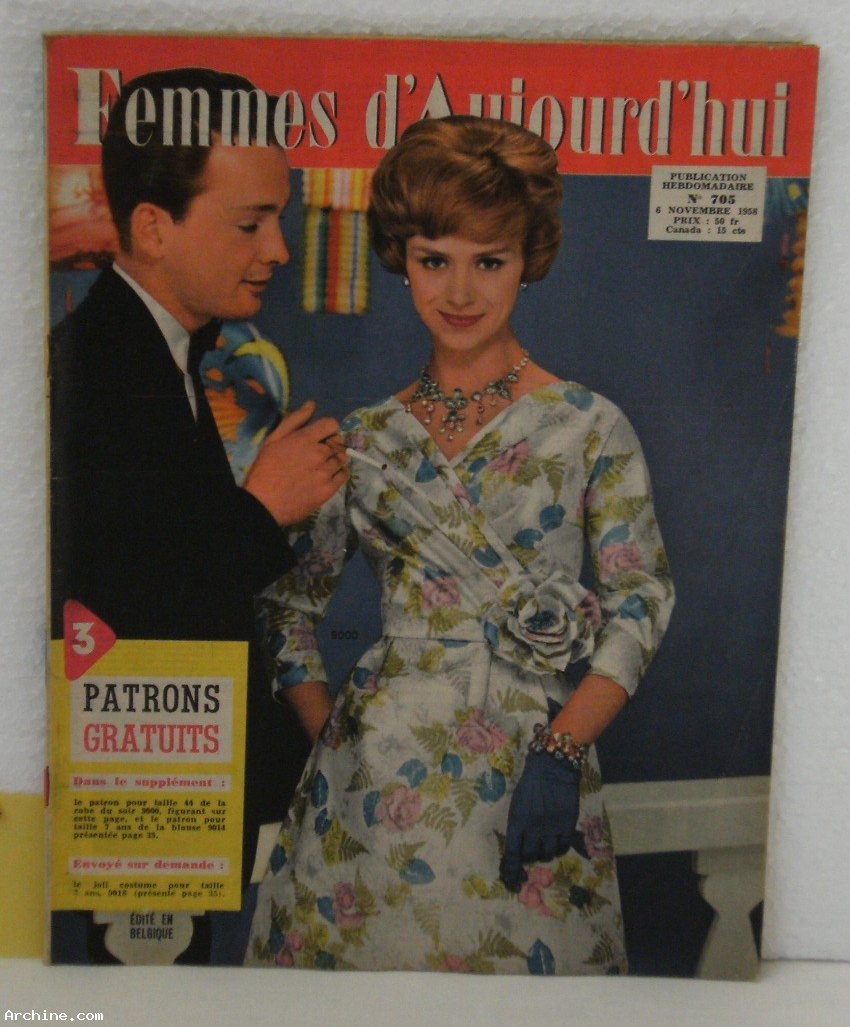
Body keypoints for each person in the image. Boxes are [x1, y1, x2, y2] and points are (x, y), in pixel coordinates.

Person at [245, 116, 674, 975]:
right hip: (371, 786)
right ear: (402, 259)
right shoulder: (364, 438)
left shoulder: (590, 425)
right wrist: (334, 739)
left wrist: (564, 747)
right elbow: (287, 609)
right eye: (435, 259)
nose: (461, 291)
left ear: (529, 260)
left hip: (532, 759)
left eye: (490, 261)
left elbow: (642, 601)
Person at [49, 68, 348, 960]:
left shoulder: (157, 352)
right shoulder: (94, 369)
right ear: (152, 227)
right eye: (251, 223)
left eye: (280, 220)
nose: (280, 250)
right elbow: (110, 607)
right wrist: (263, 507)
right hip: (136, 776)